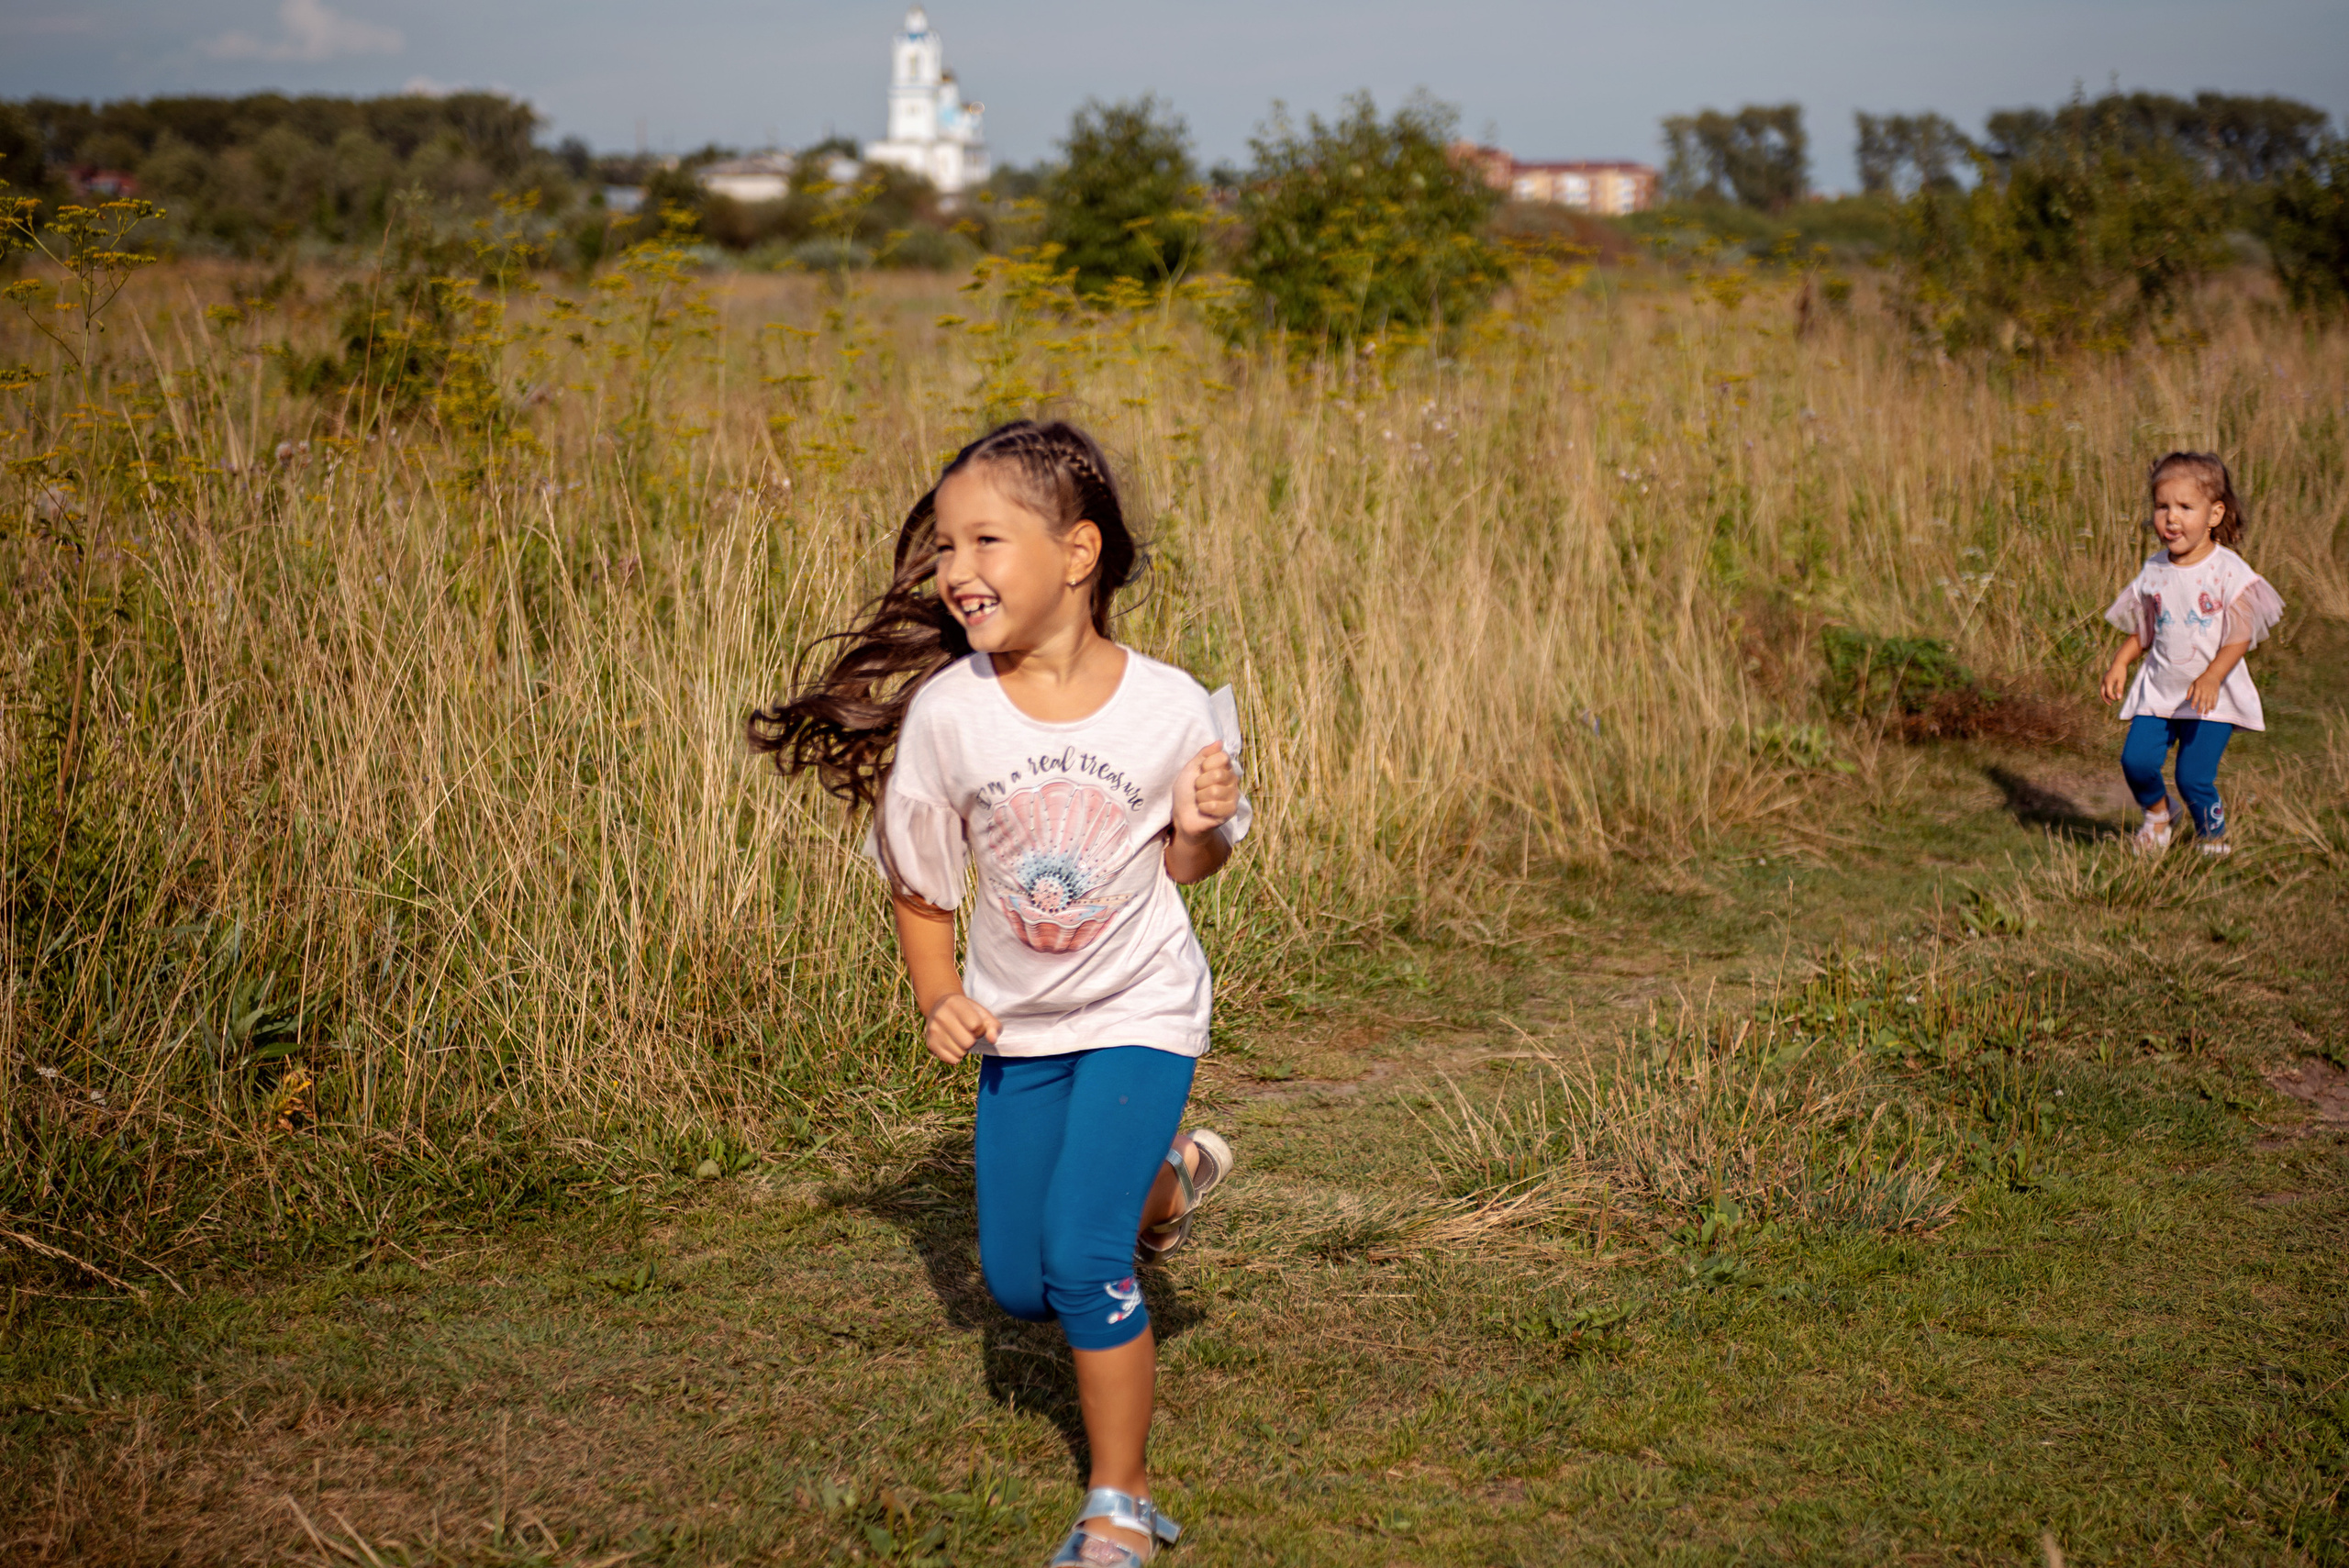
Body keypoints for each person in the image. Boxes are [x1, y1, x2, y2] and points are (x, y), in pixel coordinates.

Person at [749, 419, 1243, 1567]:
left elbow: (1188, 865)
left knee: (1079, 1259)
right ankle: (1162, 1187)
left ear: (1076, 553)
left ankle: (1120, 1500)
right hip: (1020, 1024)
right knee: (1018, 1284)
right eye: (941, 546)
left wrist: (1206, 825)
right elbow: (921, 882)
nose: (954, 569)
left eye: (984, 540)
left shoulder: (1170, 704)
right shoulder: (950, 714)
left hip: (1140, 1008)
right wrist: (936, 994)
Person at [2099, 451, 2284, 856]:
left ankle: (2211, 836)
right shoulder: (2154, 570)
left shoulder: (2228, 571)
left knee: (2193, 778)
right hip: (2161, 691)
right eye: (2162, 506)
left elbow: (2238, 636)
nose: (2171, 518)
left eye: (2185, 507)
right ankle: (2159, 817)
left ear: (2215, 514)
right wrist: (2119, 662)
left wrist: (2213, 675)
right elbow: (2146, 629)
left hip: (2210, 697)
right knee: (2136, 762)